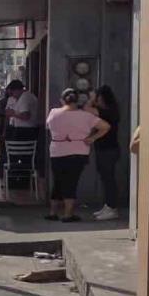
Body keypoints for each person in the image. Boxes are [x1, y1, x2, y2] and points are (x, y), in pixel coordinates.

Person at [46, 88, 110, 222]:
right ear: (77, 101)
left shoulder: (53, 113)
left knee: (57, 181)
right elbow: (105, 126)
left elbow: (48, 127)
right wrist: (92, 138)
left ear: (62, 100)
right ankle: (68, 214)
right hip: (78, 151)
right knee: (71, 182)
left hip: (57, 151)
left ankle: (52, 212)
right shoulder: (86, 116)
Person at [86, 85, 121, 221]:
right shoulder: (111, 110)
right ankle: (108, 206)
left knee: (108, 179)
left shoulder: (105, 111)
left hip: (108, 150)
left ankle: (112, 208)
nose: (96, 100)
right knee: (106, 178)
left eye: (98, 97)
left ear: (103, 98)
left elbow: (86, 109)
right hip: (107, 149)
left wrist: (91, 98)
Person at [4, 79, 41, 185]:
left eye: (12, 93)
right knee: (18, 156)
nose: (12, 96)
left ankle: (21, 181)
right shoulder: (21, 97)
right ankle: (20, 180)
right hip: (20, 129)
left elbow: (25, 116)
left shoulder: (25, 97)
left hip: (25, 130)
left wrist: (13, 113)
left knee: (18, 156)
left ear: (17, 90)